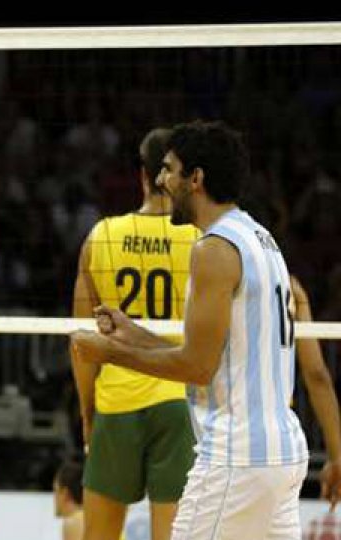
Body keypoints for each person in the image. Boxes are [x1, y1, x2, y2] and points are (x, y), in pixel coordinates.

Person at [72, 121, 308, 539]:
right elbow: (216, 352)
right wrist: (131, 333)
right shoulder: (261, 237)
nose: (162, 180)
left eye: (169, 169)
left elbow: (197, 366)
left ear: (195, 179)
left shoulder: (213, 249)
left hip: (236, 457)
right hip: (282, 453)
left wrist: (109, 354)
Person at [70, 128, 198, 540]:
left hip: (117, 399)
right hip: (179, 401)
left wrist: (88, 414)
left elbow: (81, 343)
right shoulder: (201, 240)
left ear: (143, 176)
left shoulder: (100, 236)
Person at [290, 277, 341, 509]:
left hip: (229, 444)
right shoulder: (289, 285)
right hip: (286, 449)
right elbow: (317, 375)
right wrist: (337, 457)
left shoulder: (214, 261)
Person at [53, 461, 85, 540]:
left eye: (55, 490)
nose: (54, 498)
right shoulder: (92, 518)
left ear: (65, 494)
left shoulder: (73, 522)